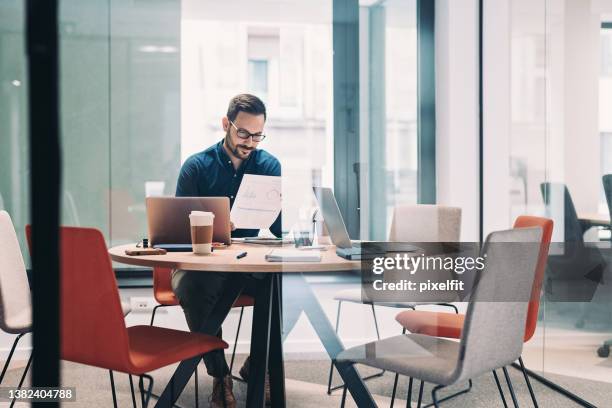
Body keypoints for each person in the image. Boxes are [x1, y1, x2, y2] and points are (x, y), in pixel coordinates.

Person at [172, 94, 281, 408]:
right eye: (243, 133)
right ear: (226, 124)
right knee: (193, 286)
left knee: (287, 286)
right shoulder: (196, 167)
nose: (250, 142)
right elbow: (178, 229)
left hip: (248, 265)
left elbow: (276, 228)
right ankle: (220, 377)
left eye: (257, 135)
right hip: (204, 265)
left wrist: (284, 209)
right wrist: (215, 227)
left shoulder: (269, 165)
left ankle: (258, 364)